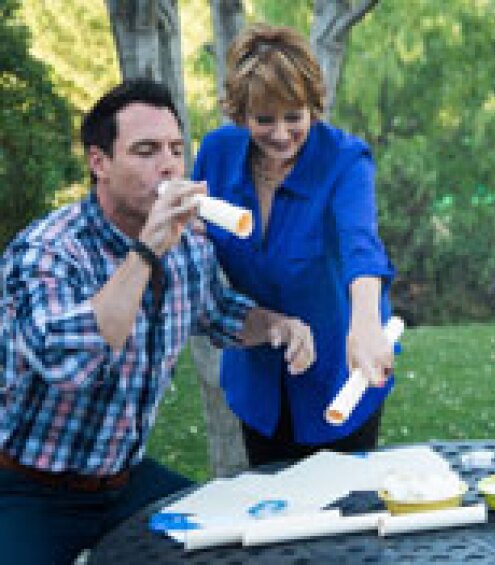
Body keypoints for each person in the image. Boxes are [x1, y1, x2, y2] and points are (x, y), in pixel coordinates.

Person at [0, 78, 315, 564]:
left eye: (174, 149)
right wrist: (146, 249)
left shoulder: (188, 246)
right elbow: (68, 365)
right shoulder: (46, 253)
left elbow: (219, 313)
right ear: (99, 162)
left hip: (126, 481)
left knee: (237, 547)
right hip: (28, 486)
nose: (168, 165)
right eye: (146, 151)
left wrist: (276, 325)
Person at [192, 23, 396, 465]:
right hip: (260, 376)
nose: (281, 134)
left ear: (313, 107)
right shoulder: (216, 155)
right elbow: (195, 240)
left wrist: (364, 323)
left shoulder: (345, 160)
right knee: (272, 510)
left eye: (294, 116)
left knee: (339, 515)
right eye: (264, 119)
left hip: (341, 369)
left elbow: (362, 245)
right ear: (240, 114)